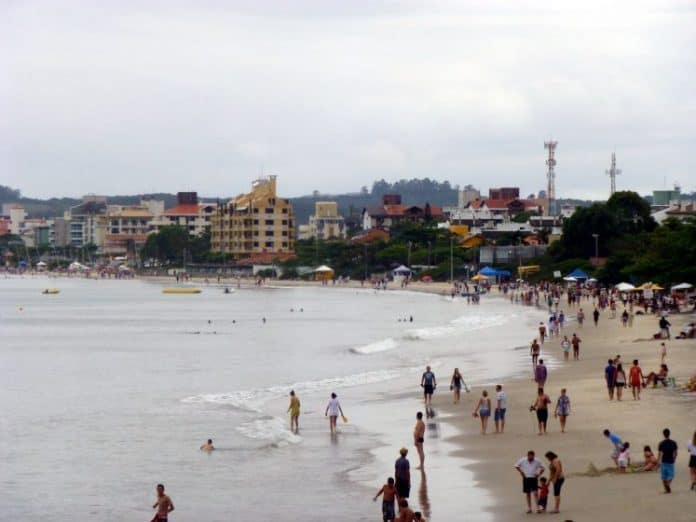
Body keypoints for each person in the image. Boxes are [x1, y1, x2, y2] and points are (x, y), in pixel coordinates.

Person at [657, 428, 678, 493]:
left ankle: (666, 489)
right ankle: (668, 484)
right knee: (671, 475)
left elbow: (660, 454)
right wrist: (674, 459)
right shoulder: (673, 443)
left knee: (664, 477)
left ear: (663, 434)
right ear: (669, 434)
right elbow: (675, 453)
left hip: (664, 461)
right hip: (670, 461)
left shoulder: (661, 443)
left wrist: (658, 462)